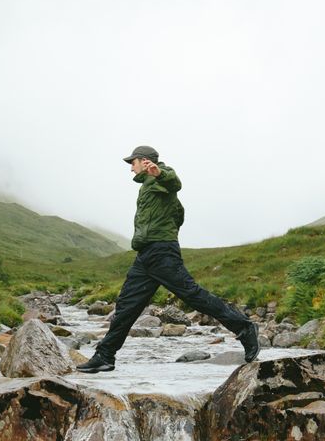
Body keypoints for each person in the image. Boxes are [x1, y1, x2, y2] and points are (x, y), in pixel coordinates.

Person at [77, 145, 261, 373]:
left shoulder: (160, 177)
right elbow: (179, 213)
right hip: (146, 255)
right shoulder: (147, 187)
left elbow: (175, 183)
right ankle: (104, 356)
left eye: (132, 163)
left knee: (192, 295)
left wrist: (159, 174)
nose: (130, 168)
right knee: (126, 306)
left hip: (161, 252)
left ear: (145, 162)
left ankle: (245, 328)